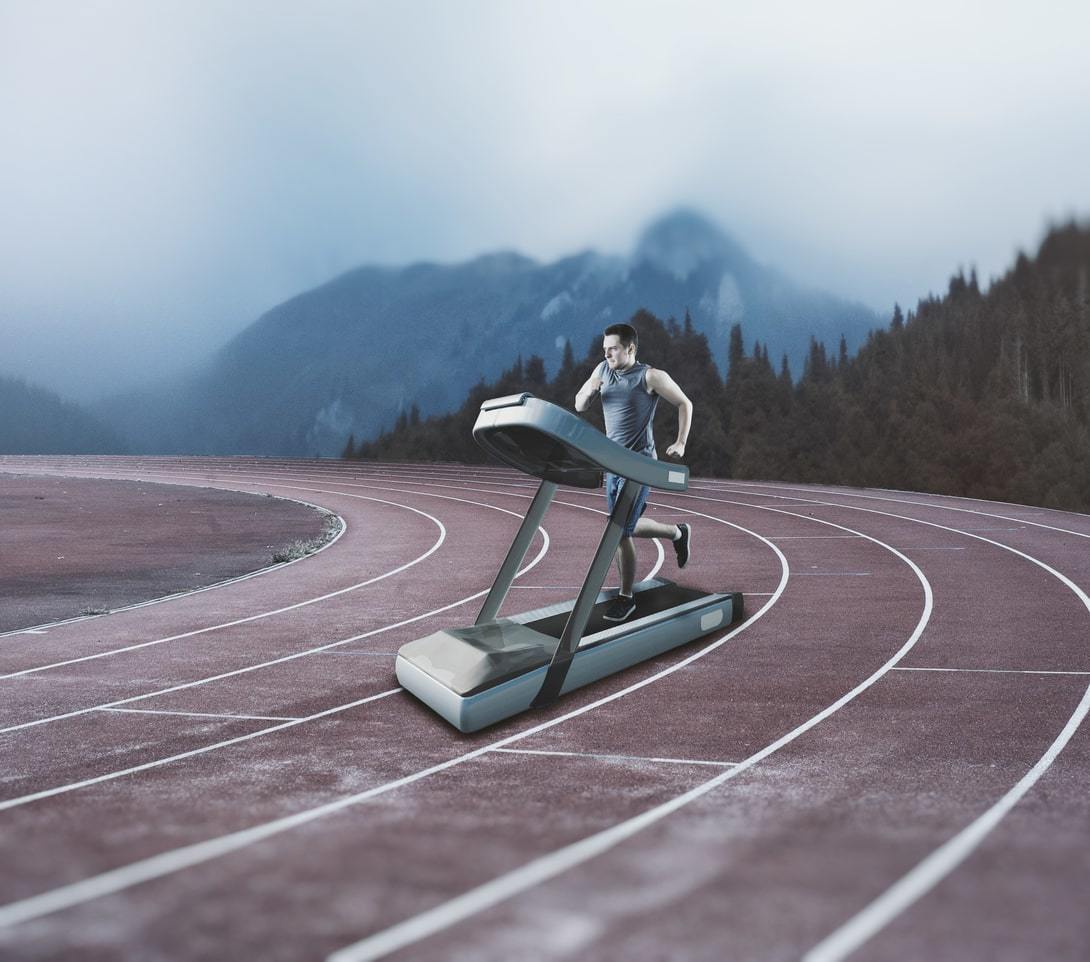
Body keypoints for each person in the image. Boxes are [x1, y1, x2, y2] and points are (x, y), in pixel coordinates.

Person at [575, 322, 693, 622]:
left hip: (640, 464)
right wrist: (589, 390)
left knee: (618, 532)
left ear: (630, 348)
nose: (608, 354)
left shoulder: (650, 376)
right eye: (605, 349)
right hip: (612, 464)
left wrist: (680, 442)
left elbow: (684, 403)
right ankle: (677, 532)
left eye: (613, 348)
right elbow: (579, 405)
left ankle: (626, 598)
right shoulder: (601, 371)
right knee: (628, 526)